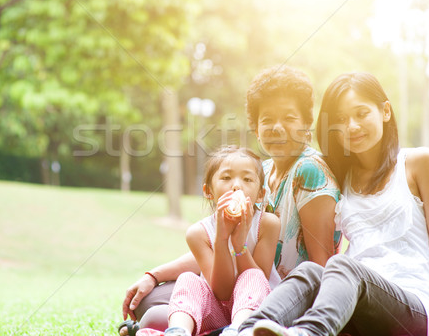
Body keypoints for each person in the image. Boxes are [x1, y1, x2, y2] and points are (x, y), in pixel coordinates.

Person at [239, 72, 429, 336]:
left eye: (361, 114)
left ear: (385, 111)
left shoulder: (418, 163)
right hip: (355, 302)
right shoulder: (341, 176)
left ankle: (310, 333)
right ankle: (245, 330)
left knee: (342, 266)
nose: (351, 126)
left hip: (411, 309)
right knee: (312, 271)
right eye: (340, 119)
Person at [118, 66, 341, 336]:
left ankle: (229, 330)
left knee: (158, 312)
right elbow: (214, 244)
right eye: (267, 119)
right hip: (235, 286)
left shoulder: (309, 171)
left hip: (280, 298)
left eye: (289, 118)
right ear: (256, 129)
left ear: (307, 125)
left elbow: (322, 266)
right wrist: (153, 275)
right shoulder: (263, 171)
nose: (277, 127)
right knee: (153, 300)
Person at [137, 146, 281, 336]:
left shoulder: (267, 224)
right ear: (208, 191)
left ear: (261, 194)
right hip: (217, 310)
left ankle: (238, 331)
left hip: (256, 309)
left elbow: (259, 281)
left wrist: (239, 246)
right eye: (226, 178)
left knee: (252, 275)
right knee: (188, 279)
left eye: (247, 179)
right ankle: (179, 331)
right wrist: (221, 240)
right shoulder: (198, 233)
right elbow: (221, 292)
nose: (236, 186)